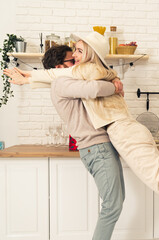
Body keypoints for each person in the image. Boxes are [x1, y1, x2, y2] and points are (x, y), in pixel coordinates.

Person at [4, 31, 159, 197]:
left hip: (121, 131)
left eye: (78, 50)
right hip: (128, 128)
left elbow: (57, 74)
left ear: (89, 53)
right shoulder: (101, 71)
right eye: (73, 52)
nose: (74, 55)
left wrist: (27, 78)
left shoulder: (86, 71)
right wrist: (29, 77)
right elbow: (58, 75)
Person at [33, 44, 125, 240]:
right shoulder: (61, 83)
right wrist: (115, 86)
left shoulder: (68, 82)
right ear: (59, 68)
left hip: (99, 147)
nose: (76, 61)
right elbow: (95, 88)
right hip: (96, 147)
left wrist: (113, 77)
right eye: (71, 60)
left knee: (116, 201)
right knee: (112, 205)